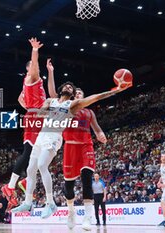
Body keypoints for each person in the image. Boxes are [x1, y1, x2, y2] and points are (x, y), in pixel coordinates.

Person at [12, 81, 129, 219]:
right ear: (61, 90)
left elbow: (96, 97)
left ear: (73, 94)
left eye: (71, 88)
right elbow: (40, 114)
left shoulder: (72, 105)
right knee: (31, 169)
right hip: (41, 136)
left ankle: (50, 203)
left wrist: (116, 90)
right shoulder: (50, 100)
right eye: (66, 86)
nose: (68, 87)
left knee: (42, 165)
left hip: (54, 137)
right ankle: (27, 202)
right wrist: (33, 107)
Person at [1, 38, 57, 206]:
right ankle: (10, 186)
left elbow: (20, 98)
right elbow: (34, 64)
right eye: (35, 66)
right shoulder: (31, 77)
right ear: (30, 68)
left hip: (37, 117)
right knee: (29, 152)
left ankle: (23, 182)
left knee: (42, 154)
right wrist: (34, 50)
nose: (37, 68)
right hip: (35, 118)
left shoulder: (31, 83)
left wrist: (30, 107)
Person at [62, 88, 107, 230]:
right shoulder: (68, 108)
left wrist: (100, 134)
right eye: (76, 94)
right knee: (68, 187)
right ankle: (71, 212)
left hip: (86, 146)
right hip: (70, 147)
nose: (78, 95)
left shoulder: (90, 113)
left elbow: (96, 127)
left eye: (80, 93)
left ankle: (88, 217)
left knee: (87, 178)